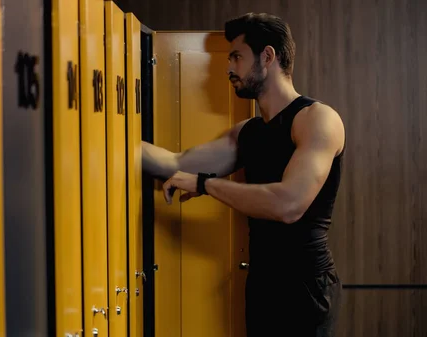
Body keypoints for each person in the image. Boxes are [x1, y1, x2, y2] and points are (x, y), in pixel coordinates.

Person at [141, 12, 345, 337]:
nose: (229, 68)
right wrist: (105, 139)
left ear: (267, 56)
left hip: (305, 286)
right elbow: (175, 164)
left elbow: (288, 204)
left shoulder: (317, 119)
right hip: (262, 284)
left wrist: (205, 184)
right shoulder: (246, 133)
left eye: (237, 56)